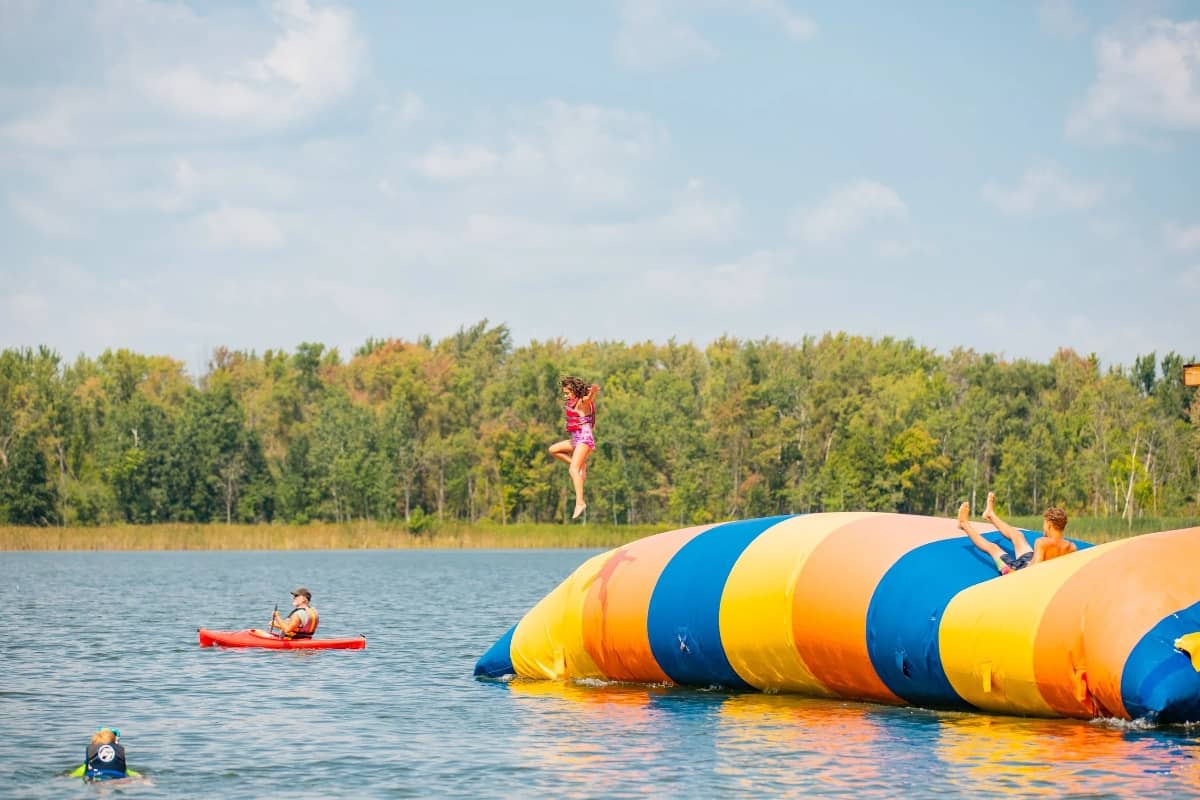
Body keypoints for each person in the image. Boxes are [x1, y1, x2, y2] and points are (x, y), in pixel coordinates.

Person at [957, 492, 1076, 575]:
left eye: (1044, 524)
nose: (1043, 528)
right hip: (1029, 561)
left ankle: (964, 524)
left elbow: (1034, 574)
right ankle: (990, 515)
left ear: (1049, 525)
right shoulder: (1072, 547)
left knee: (993, 548)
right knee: (1018, 536)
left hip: (1019, 572)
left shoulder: (1042, 542)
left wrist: (1009, 572)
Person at [548, 376, 599, 520]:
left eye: (567, 393)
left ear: (575, 391)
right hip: (576, 439)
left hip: (584, 438)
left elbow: (589, 398)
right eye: (564, 393)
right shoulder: (573, 402)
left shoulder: (582, 402)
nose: (566, 396)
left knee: (572, 470)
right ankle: (579, 466)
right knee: (553, 450)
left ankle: (580, 502)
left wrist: (593, 391)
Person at [69, 728, 141, 782]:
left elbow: (72, 775)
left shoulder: (86, 766)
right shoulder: (119, 764)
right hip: (117, 781)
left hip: (94, 781)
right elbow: (134, 774)